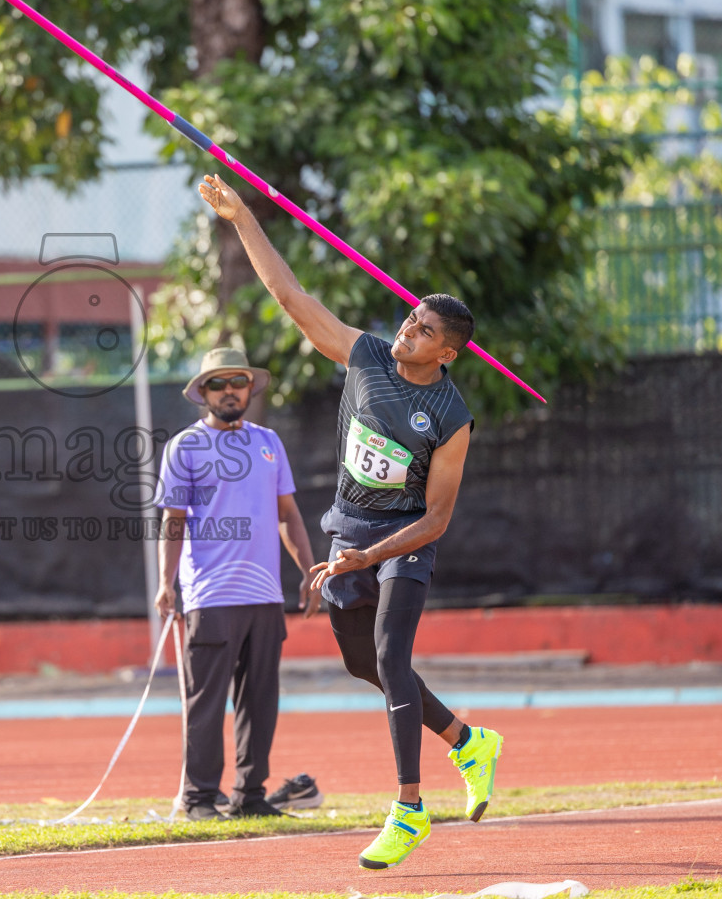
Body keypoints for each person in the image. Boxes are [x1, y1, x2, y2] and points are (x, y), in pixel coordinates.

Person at [198, 173, 503, 870]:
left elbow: (437, 518)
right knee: (364, 663)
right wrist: (242, 215)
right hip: (350, 533)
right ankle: (468, 741)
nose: (408, 331)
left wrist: (373, 558)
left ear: (447, 352)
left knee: (393, 655)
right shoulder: (365, 357)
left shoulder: (452, 418)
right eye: (408, 319)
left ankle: (408, 808)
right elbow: (289, 297)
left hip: (404, 543)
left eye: (424, 331)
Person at [155, 348, 319, 821]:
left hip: (266, 595)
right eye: (218, 383)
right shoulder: (185, 446)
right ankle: (199, 798)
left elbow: (287, 513)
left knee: (260, 702)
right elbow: (173, 520)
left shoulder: (268, 441)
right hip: (210, 595)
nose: (230, 391)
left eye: (238, 382)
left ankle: (250, 795)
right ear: (202, 393)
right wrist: (167, 584)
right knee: (205, 704)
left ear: (250, 388)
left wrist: (309, 571)